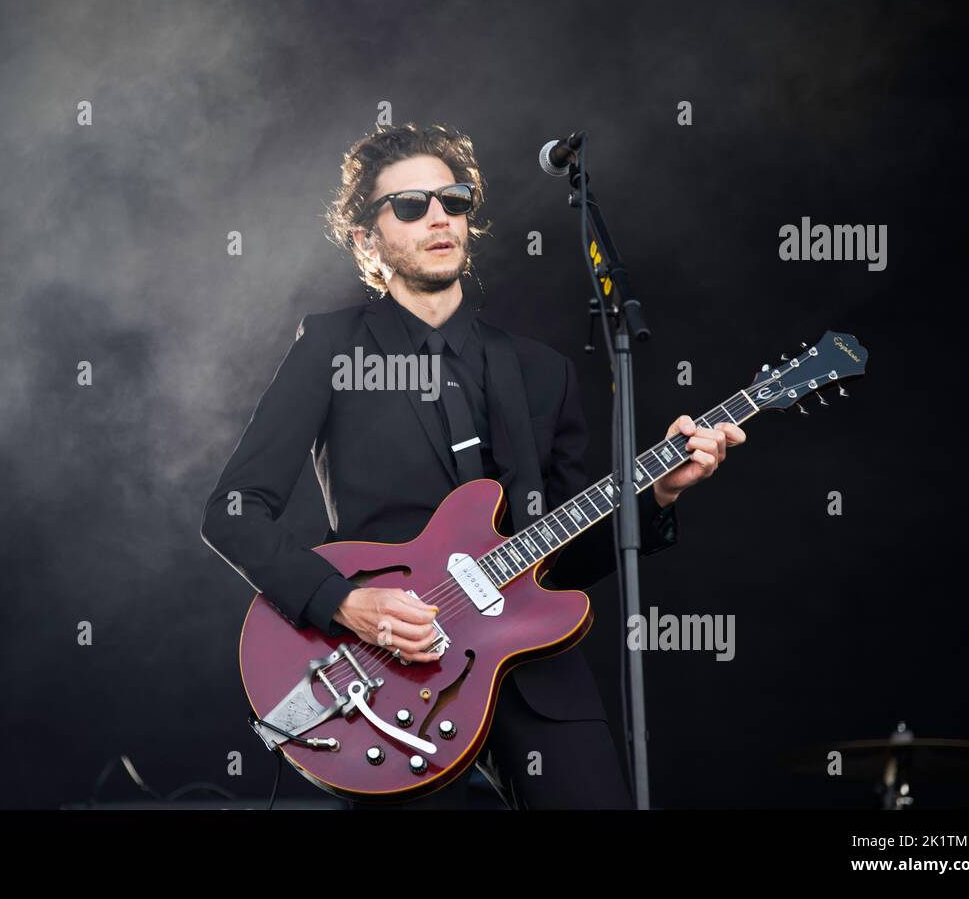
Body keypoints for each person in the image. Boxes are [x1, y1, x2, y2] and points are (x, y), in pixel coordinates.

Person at [201, 123, 745, 808]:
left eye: (453, 200)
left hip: (528, 665)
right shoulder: (332, 348)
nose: (438, 217)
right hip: (388, 669)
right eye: (409, 205)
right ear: (367, 240)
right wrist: (344, 602)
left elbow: (566, 558)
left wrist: (657, 495)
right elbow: (232, 510)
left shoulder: (539, 373)